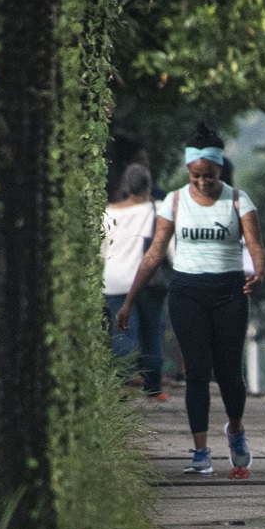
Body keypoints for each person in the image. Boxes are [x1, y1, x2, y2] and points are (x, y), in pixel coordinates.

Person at [116, 125, 265, 476]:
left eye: (209, 176)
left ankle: (236, 430)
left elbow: (257, 247)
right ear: (188, 171)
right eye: (196, 175)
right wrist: (128, 300)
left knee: (230, 373)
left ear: (220, 170)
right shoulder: (174, 201)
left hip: (230, 292)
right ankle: (201, 452)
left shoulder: (237, 200)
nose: (202, 182)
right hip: (186, 293)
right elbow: (155, 253)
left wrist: (259, 274)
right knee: (197, 372)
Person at [101, 163, 168, 399]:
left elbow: (101, 251)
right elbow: (166, 247)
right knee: (152, 332)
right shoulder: (157, 209)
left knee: (122, 332)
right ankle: (153, 387)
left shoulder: (108, 213)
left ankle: (123, 383)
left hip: (114, 281)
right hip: (148, 281)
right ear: (148, 184)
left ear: (125, 186)